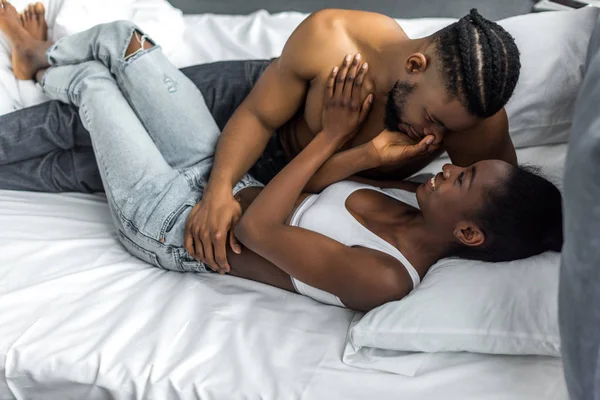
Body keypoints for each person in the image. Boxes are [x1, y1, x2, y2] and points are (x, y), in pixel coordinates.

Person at [0, 3, 561, 311]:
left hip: (175, 222)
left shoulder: (391, 272)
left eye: (456, 160)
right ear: (414, 67)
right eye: (435, 121)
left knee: (95, 94)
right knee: (126, 43)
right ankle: (38, 58)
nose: (442, 152)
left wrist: (335, 137)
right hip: (231, 158)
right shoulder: (339, 42)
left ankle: (48, 72)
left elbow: (516, 207)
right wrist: (353, 145)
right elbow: (291, 158)